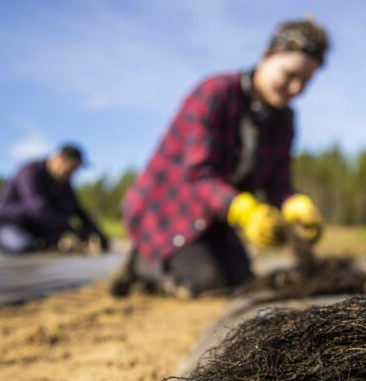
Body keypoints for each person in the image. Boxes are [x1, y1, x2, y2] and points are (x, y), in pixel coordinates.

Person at [111, 18, 328, 297]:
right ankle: (140, 260)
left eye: (305, 82)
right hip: (169, 211)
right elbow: (199, 175)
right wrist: (244, 211)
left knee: (242, 279)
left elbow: (277, 181)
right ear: (269, 55)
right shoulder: (216, 92)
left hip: (214, 220)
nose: (296, 89)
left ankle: (179, 259)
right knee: (206, 280)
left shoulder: (283, 120)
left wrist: (292, 203)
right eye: (289, 75)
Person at [0, 144, 109, 255]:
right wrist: (70, 226)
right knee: (24, 246)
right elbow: (37, 208)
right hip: (8, 225)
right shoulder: (30, 171)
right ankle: (0, 240)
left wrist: (97, 232)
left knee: (52, 246)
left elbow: (79, 210)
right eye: (71, 169)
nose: (72, 175)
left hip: (36, 231)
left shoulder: (63, 184)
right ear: (60, 159)